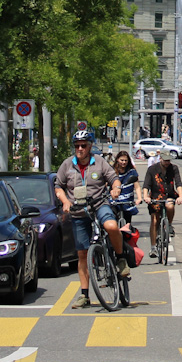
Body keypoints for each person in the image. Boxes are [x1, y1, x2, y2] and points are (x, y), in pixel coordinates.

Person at [54, 127, 127, 309]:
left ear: (90, 146)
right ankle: (85, 295)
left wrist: (116, 188)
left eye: (83, 146)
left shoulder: (100, 162)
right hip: (79, 212)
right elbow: (58, 186)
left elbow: (113, 178)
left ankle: (119, 258)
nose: (80, 149)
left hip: (99, 205)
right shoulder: (67, 165)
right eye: (77, 146)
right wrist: (64, 201)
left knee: (111, 226)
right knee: (82, 254)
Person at [142, 150, 182, 245]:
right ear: (160, 158)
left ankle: (169, 224)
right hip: (155, 197)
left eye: (169, 160)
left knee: (170, 206)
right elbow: (146, 185)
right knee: (154, 220)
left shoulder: (174, 168)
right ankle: (153, 246)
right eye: (165, 160)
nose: (167, 163)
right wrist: (145, 196)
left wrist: (181, 196)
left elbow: (178, 183)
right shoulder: (152, 169)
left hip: (169, 195)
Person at [111, 150, 140, 222]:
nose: (123, 162)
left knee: (127, 224)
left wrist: (139, 198)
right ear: (117, 159)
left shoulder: (132, 171)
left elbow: (137, 186)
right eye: (122, 160)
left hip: (127, 201)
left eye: (125, 160)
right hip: (114, 201)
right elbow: (105, 184)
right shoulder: (112, 171)